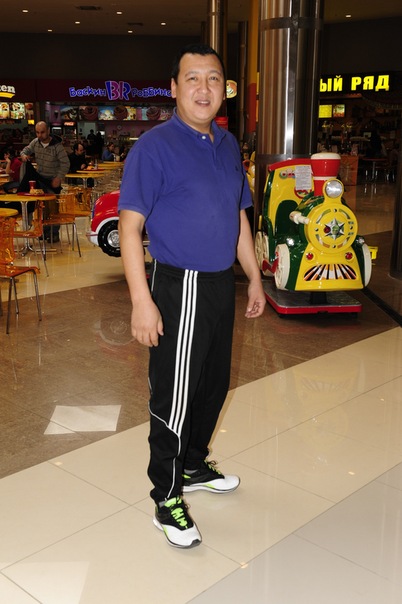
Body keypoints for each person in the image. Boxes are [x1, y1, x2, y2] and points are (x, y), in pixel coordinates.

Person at [118, 43, 266, 549]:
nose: (205, 88)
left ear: (225, 89)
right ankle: (166, 497)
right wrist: (142, 300)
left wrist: (254, 277)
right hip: (178, 285)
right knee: (175, 396)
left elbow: (237, 216)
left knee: (212, 386)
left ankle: (194, 465)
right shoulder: (154, 147)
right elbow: (130, 226)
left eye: (214, 79)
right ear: (175, 88)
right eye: (193, 78)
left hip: (220, 283)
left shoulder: (226, 145)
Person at [20, 121, 70, 242]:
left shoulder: (57, 146)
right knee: (41, 208)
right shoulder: (35, 142)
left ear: (48, 131)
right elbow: (25, 151)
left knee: (52, 208)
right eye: (37, 132)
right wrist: (24, 155)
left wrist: (59, 177)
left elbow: (65, 163)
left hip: (53, 180)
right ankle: (43, 230)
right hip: (40, 179)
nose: (39, 135)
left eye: (42, 132)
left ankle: (54, 233)